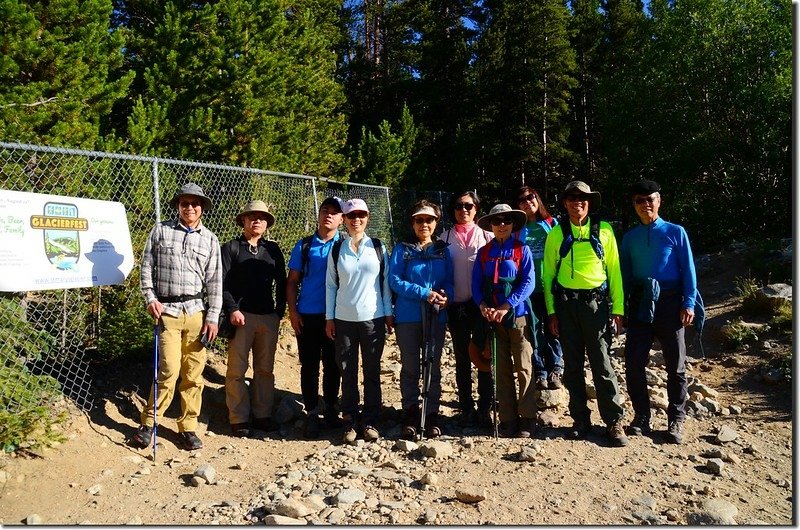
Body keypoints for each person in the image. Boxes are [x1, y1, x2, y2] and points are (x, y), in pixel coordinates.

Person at [133, 182, 222, 451]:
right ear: (178, 206)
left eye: (195, 203)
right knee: (168, 370)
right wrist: (150, 298)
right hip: (168, 313)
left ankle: (188, 428)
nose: (190, 207)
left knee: (194, 375)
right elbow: (146, 267)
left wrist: (213, 316)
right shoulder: (160, 231)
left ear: (202, 208)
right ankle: (149, 424)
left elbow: (215, 281)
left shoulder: (210, 239)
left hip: (197, 314)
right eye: (185, 203)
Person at [541, 180, 628, 447]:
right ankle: (580, 421)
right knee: (573, 366)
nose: (577, 202)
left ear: (589, 203)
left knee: (602, 364)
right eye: (572, 198)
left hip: (597, 306)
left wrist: (619, 309)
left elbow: (614, 270)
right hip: (567, 307)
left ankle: (614, 422)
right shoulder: (556, 233)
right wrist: (552, 313)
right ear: (565, 203)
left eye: (583, 198)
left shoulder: (604, 231)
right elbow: (548, 276)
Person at [621, 180, 698, 444]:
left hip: (670, 302)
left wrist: (688, 303)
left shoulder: (676, 232)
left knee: (675, 366)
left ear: (659, 200)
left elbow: (688, 269)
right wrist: (620, 309)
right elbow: (625, 276)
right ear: (634, 206)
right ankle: (642, 416)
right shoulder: (629, 238)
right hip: (641, 303)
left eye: (650, 199)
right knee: (633, 363)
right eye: (639, 201)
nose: (646, 205)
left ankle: (676, 419)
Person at [325, 198, 394, 443]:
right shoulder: (336, 249)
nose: (357, 220)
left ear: (367, 218)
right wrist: (329, 318)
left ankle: (372, 419)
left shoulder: (377, 247)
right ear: (344, 219)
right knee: (347, 371)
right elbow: (331, 285)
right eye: (352, 215)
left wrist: (388, 314)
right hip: (343, 319)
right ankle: (350, 420)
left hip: (372, 318)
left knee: (372, 370)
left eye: (361, 215)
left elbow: (385, 283)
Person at [389, 200, 454, 440]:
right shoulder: (402, 250)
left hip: (436, 316)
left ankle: (432, 413)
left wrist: (447, 296)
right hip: (408, 316)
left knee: (433, 365)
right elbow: (394, 281)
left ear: (436, 222)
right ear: (413, 223)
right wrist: (424, 293)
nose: (424, 224)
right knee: (410, 366)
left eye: (429, 220)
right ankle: (410, 412)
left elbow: (450, 281)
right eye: (419, 220)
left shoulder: (443, 250)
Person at [220, 200, 286, 438]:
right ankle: (238, 418)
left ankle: (262, 415)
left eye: (262, 217)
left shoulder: (273, 250)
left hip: (267, 317)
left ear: (267, 223)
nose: (257, 220)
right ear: (243, 221)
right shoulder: (230, 248)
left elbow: (282, 281)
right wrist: (231, 309)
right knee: (236, 370)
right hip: (241, 316)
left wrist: (280, 311)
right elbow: (222, 283)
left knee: (264, 369)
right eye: (252, 217)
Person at [472, 203, 538, 438]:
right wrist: (482, 305)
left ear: (513, 224)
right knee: (500, 369)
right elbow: (476, 284)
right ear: (490, 225)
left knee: (523, 367)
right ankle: (508, 418)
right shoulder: (484, 252)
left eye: (506, 221)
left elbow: (528, 282)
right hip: (492, 318)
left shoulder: (523, 250)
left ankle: (528, 418)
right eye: (497, 221)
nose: (502, 225)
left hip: (517, 316)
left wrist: (506, 305)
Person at [286, 197, 344, 439]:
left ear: (342, 219)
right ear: (318, 215)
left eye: (334, 212)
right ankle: (311, 411)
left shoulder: (347, 244)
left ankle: (330, 407)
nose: (328, 215)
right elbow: (292, 281)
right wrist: (293, 312)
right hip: (308, 314)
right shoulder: (305, 245)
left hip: (338, 315)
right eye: (324, 211)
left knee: (333, 364)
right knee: (309, 364)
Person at [440, 191, 495, 429]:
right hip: (456, 305)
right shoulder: (444, 237)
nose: (464, 210)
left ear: (477, 208)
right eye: (459, 206)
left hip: (481, 305)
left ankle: (485, 406)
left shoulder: (488, 236)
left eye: (469, 205)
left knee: (484, 356)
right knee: (461, 357)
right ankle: (466, 407)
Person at [515, 185, 565, 390]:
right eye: (522, 200)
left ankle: (556, 368)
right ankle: (540, 369)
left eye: (531, 197)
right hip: (529, 289)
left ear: (538, 199)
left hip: (551, 287)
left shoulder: (552, 224)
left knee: (554, 327)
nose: (528, 202)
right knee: (534, 329)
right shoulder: (518, 231)